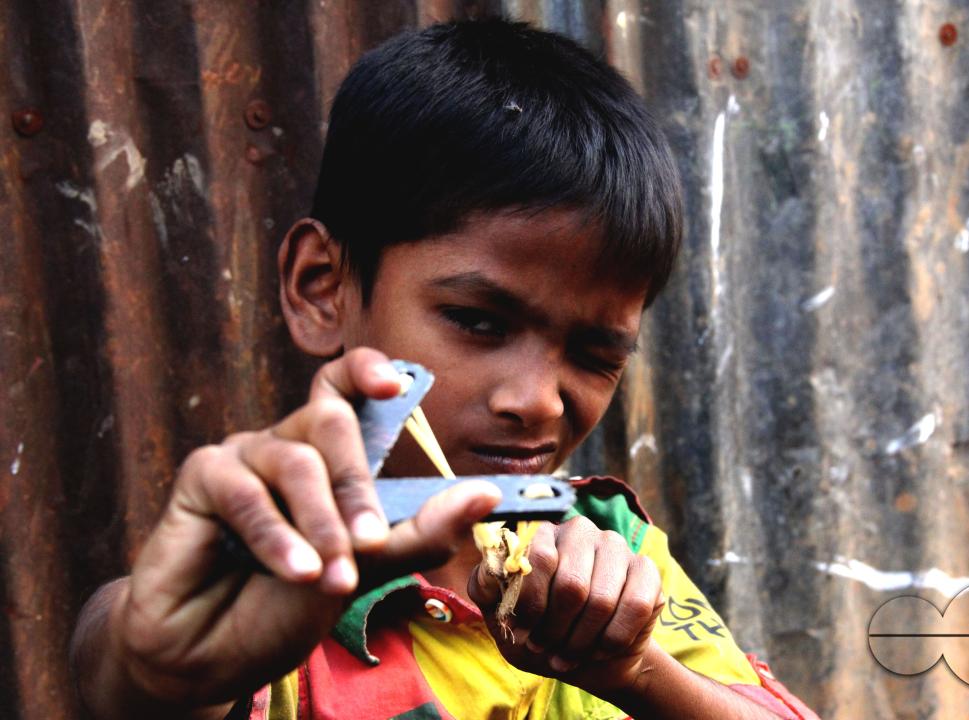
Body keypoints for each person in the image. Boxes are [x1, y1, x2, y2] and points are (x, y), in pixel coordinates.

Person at [72, 18, 818, 720]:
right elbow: (128, 657)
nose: (538, 403)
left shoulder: (606, 542)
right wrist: (148, 661)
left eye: (594, 355)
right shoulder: (281, 574)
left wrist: (630, 667)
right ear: (322, 286)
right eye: (478, 322)